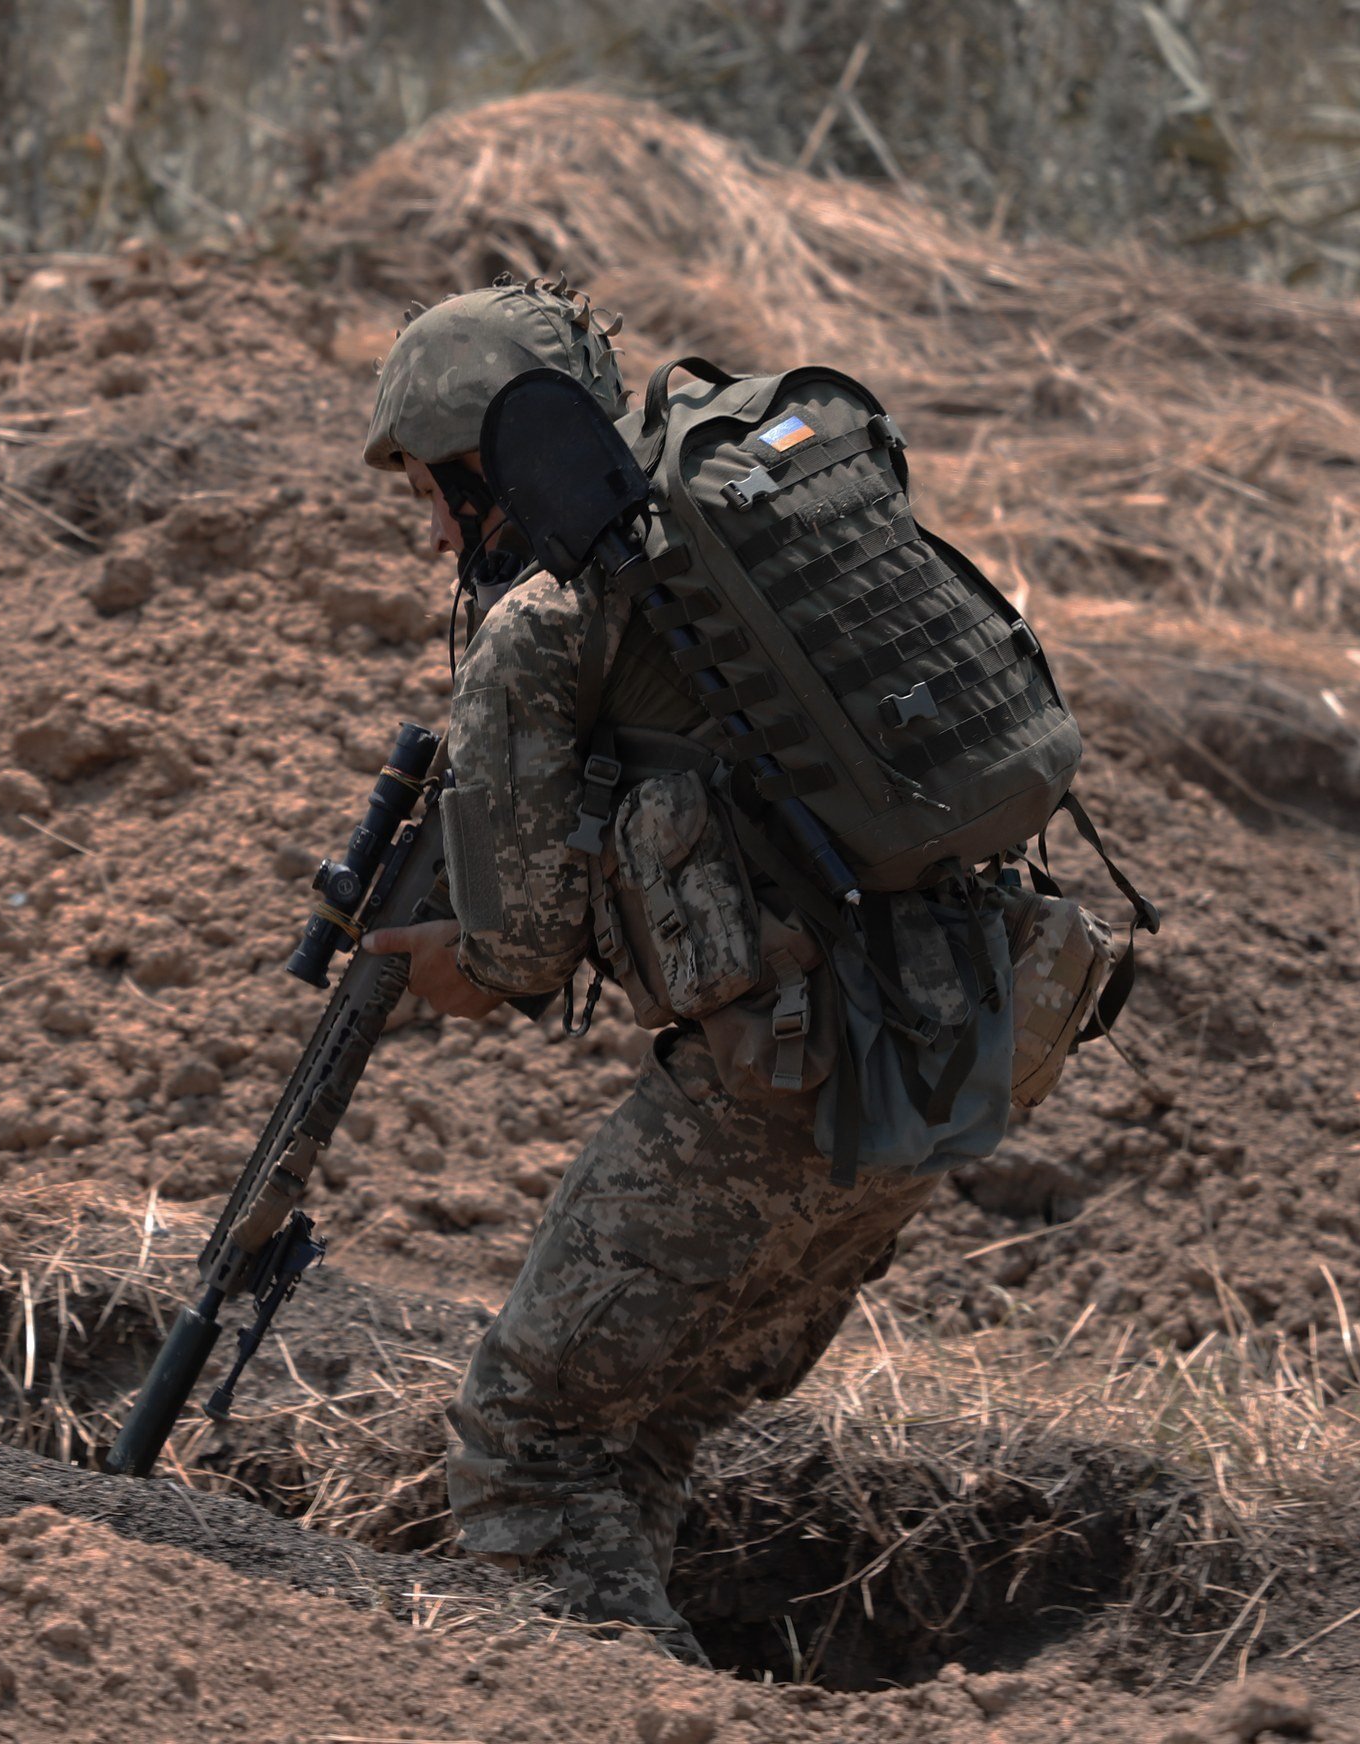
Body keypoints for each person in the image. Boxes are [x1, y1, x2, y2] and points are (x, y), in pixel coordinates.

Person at [359, 281, 1013, 1666]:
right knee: (637, 1429)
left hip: (778, 1085)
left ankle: (629, 1707)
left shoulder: (544, 623)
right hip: (953, 1037)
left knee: (531, 1446)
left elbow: (518, 954)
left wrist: (447, 970)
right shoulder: (712, 548)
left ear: (492, 467)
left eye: (431, 492)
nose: (429, 532)